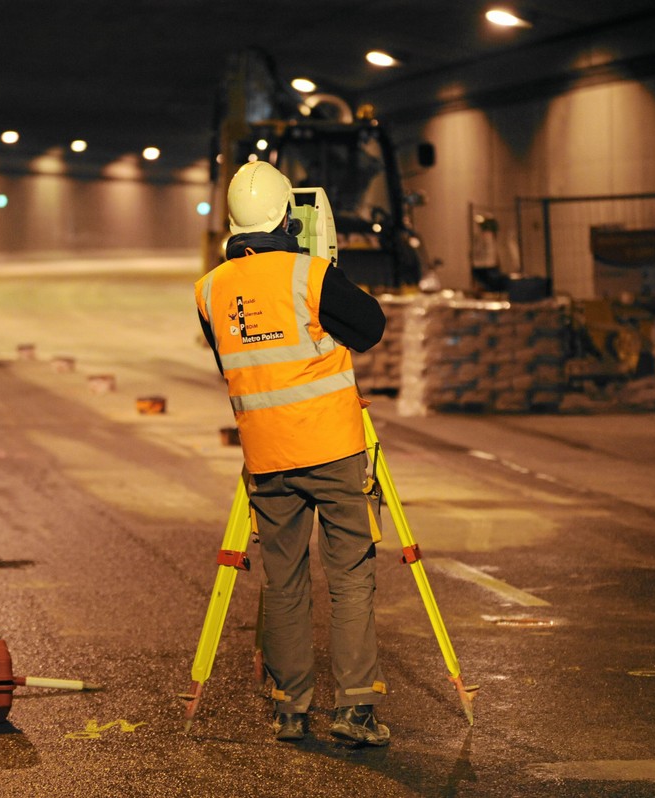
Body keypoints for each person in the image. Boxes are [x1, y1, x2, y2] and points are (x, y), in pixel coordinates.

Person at [195, 161, 390, 745]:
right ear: (287, 216)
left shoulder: (209, 289)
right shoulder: (311, 274)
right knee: (351, 575)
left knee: (283, 580)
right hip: (330, 447)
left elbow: (233, 356)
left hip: (266, 456)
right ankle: (355, 711)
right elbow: (370, 326)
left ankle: (289, 708)